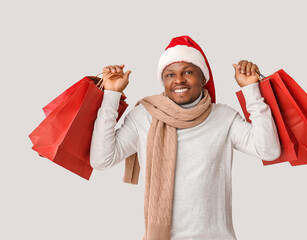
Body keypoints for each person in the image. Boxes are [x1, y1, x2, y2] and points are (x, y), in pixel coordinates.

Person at [90, 35, 281, 240]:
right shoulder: (144, 116)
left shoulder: (223, 117)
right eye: (170, 75)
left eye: (188, 72)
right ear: (163, 81)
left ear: (203, 78)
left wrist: (250, 89)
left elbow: (268, 151)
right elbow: (102, 160)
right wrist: (111, 96)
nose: (178, 80)